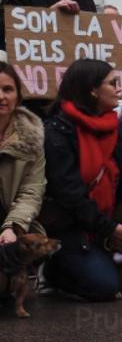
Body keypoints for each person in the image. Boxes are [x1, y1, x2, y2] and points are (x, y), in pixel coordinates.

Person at [37, 60, 122, 301]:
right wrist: (110, 230)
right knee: (105, 287)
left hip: (106, 223)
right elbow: (69, 195)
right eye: (113, 83)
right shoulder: (57, 132)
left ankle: (102, 258)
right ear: (92, 90)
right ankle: (53, 270)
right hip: (73, 227)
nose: (119, 89)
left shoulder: (113, 126)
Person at [0, 62, 46, 246]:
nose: (1, 96)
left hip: (12, 225)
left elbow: (31, 190)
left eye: (7, 89)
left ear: (18, 96)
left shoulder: (32, 140)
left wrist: (12, 226)